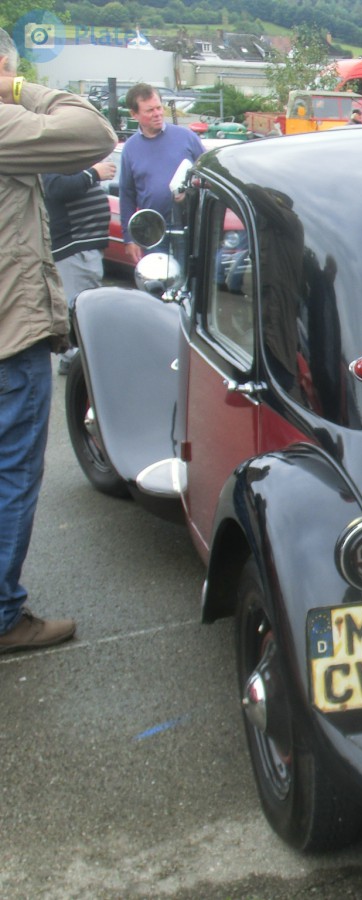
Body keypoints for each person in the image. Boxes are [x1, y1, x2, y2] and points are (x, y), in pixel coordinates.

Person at [0, 27, 117, 654]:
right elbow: (92, 131)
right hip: (6, 336)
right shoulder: (3, 121)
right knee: (13, 471)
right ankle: (2, 616)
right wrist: (17, 88)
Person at [41, 156, 117, 373]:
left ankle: (75, 357)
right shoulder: (51, 159)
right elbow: (54, 187)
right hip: (72, 246)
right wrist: (93, 174)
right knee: (80, 306)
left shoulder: (64, 156)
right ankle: (77, 362)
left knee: (79, 304)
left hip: (80, 246)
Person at [118, 83, 205, 265]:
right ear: (134, 114)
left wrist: (190, 193)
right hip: (152, 231)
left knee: (188, 281)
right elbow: (126, 194)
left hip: (188, 227)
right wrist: (129, 238)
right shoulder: (130, 148)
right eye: (150, 110)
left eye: (159, 108)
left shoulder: (186, 138)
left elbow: (209, 178)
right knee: (157, 285)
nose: (157, 114)